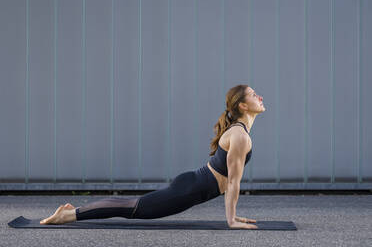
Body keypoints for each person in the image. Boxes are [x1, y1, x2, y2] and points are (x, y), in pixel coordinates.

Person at [40, 84, 265, 229]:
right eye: (255, 95)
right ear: (243, 105)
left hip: (192, 186)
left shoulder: (240, 132)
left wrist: (234, 216)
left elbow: (232, 181)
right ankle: (68, 216)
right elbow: (233, 182)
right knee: (133, 208)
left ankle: (70, 213)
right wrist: (232, 220)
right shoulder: (240, 136)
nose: (260, 96)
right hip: (189, 190)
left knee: (131, 205)